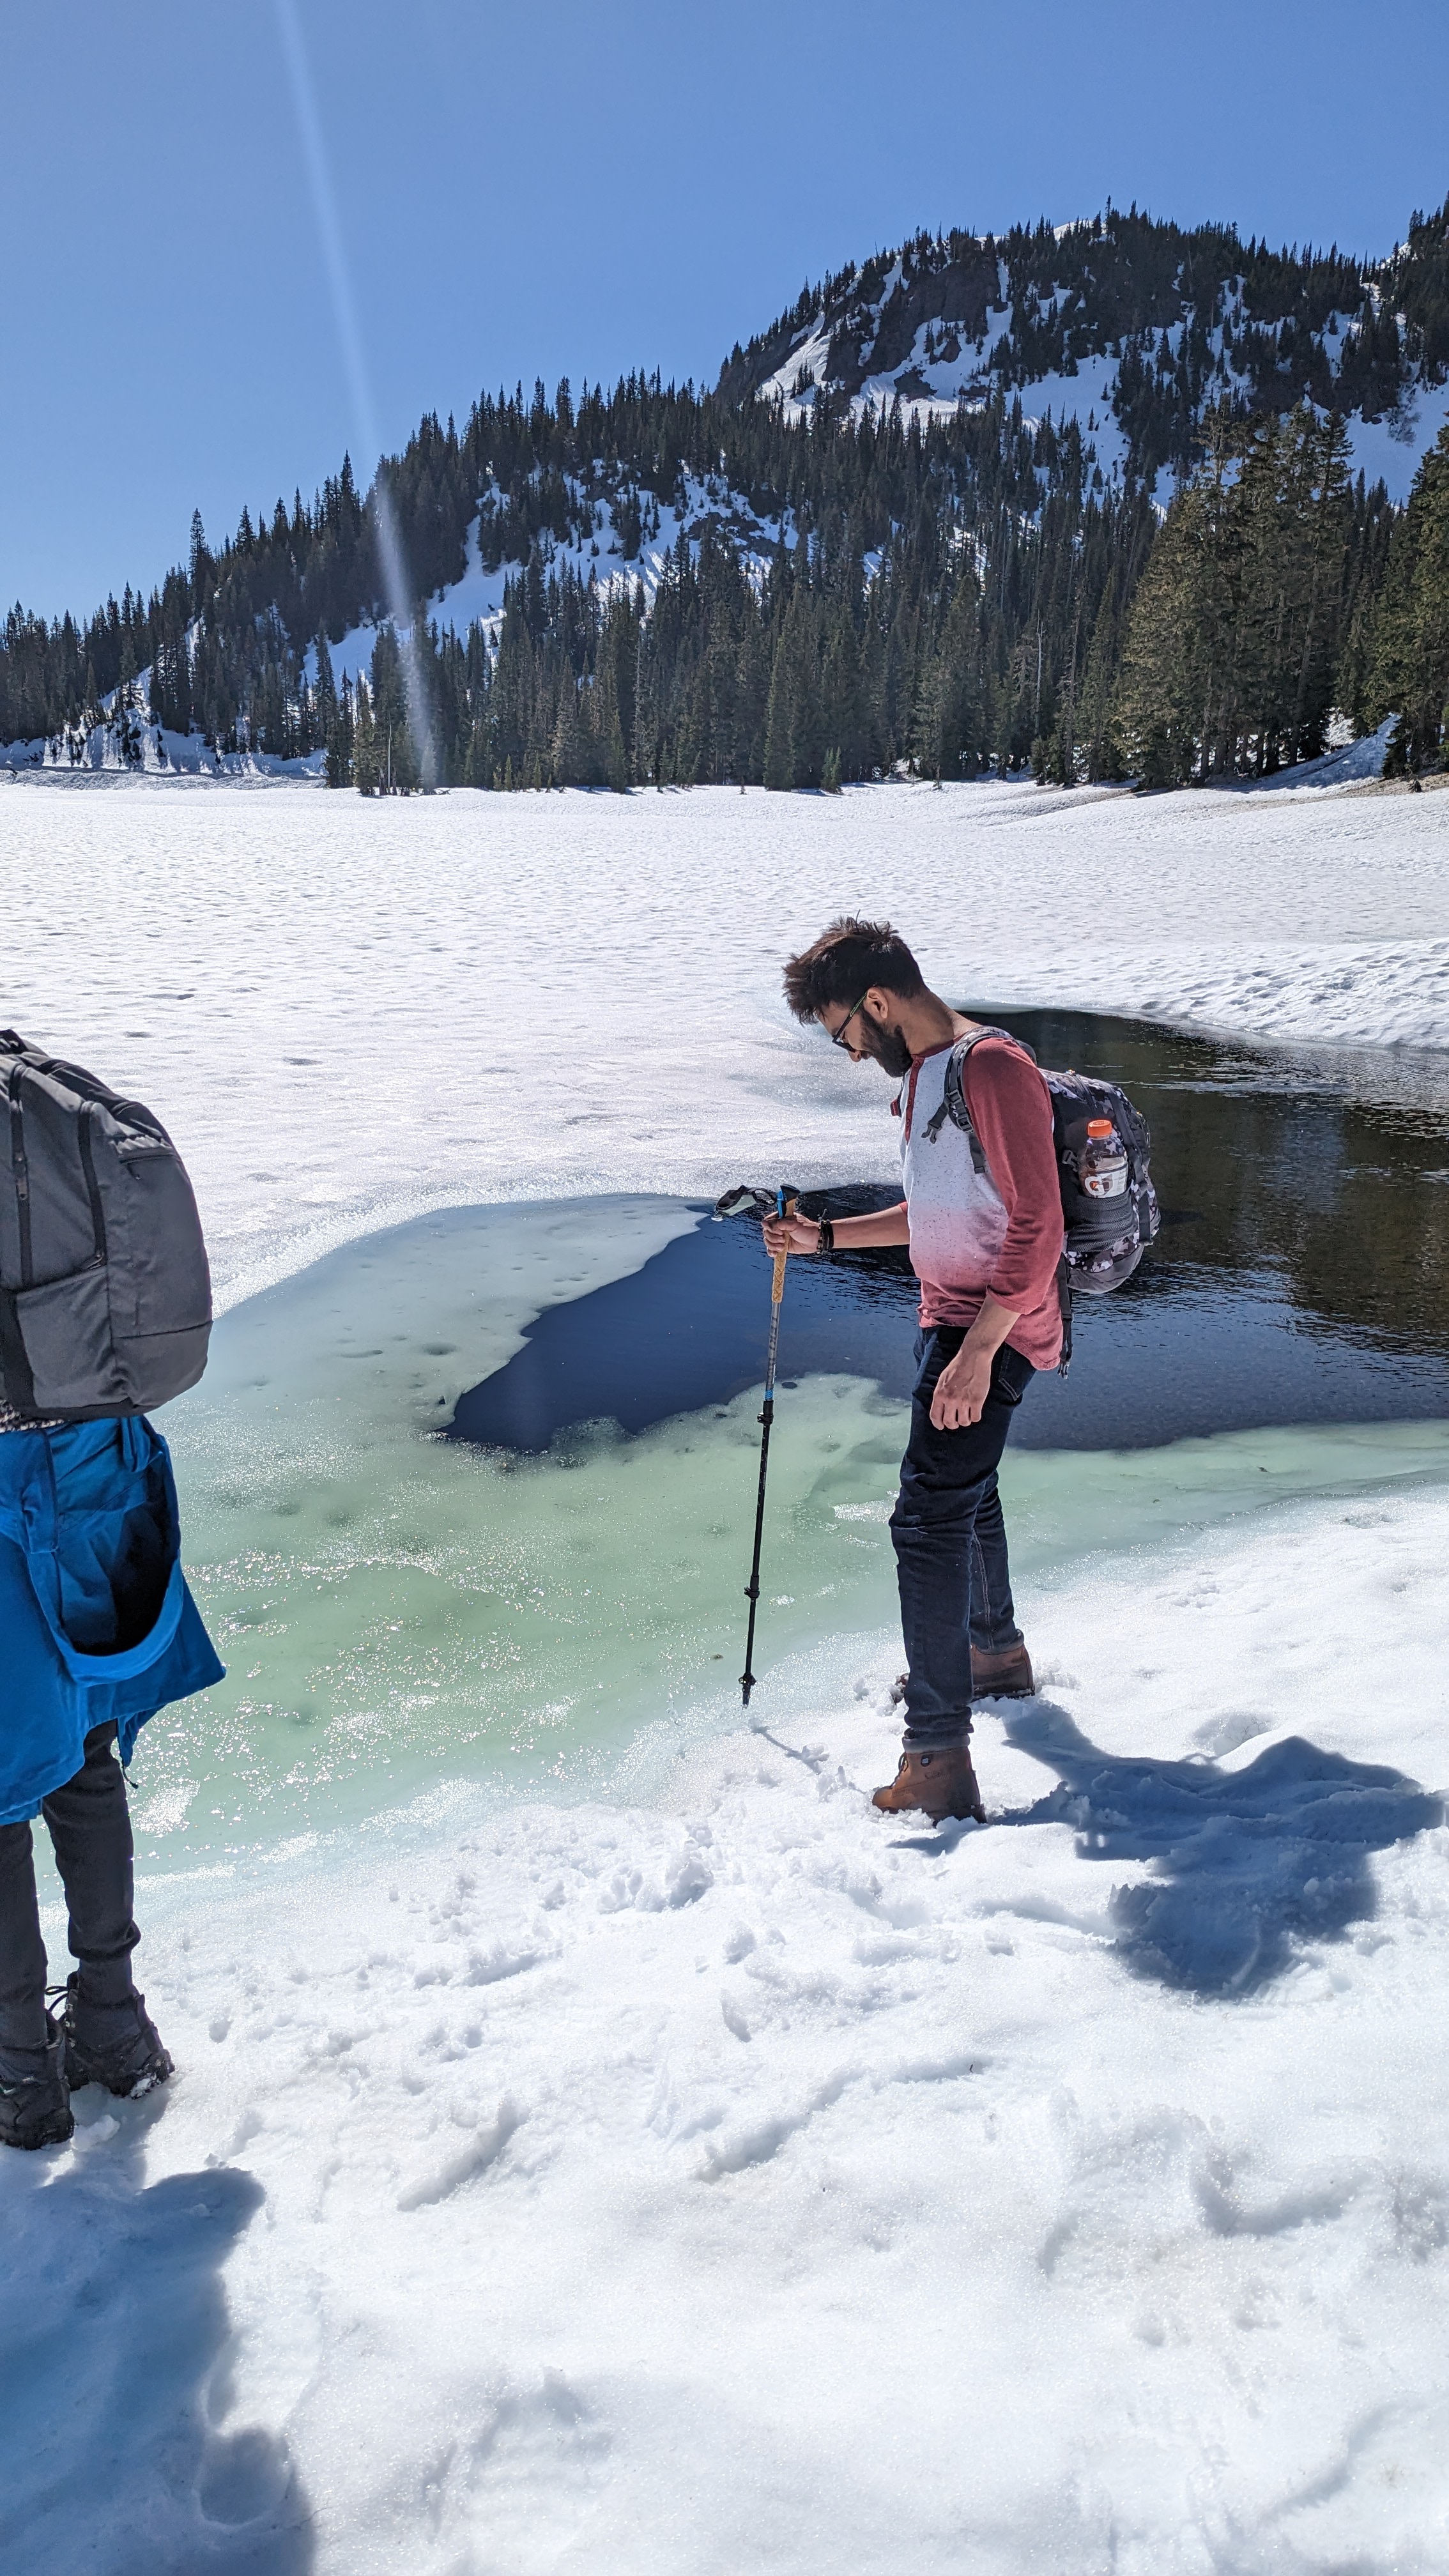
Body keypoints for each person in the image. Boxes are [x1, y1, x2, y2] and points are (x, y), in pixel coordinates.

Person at [765, 916, 1064, 1824]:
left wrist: (977, 1354)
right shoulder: (930, 1076)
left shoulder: (995, 1070)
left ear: (880, 1002)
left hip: (991, 1327)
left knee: (925, 1522)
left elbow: (1038, 1228)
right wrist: (824, 1237)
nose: (852, 1055)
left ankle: (937, 1757)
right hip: (952, 1318)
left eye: (846, 1033)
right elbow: (932, 1208)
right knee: (966, 1493)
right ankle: (993, 1654)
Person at [0, 1401, 224, 2148]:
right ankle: (114, 2023)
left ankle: (21, 2076)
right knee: (83, 1744)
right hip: (91, 1454)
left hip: (10, 1484)